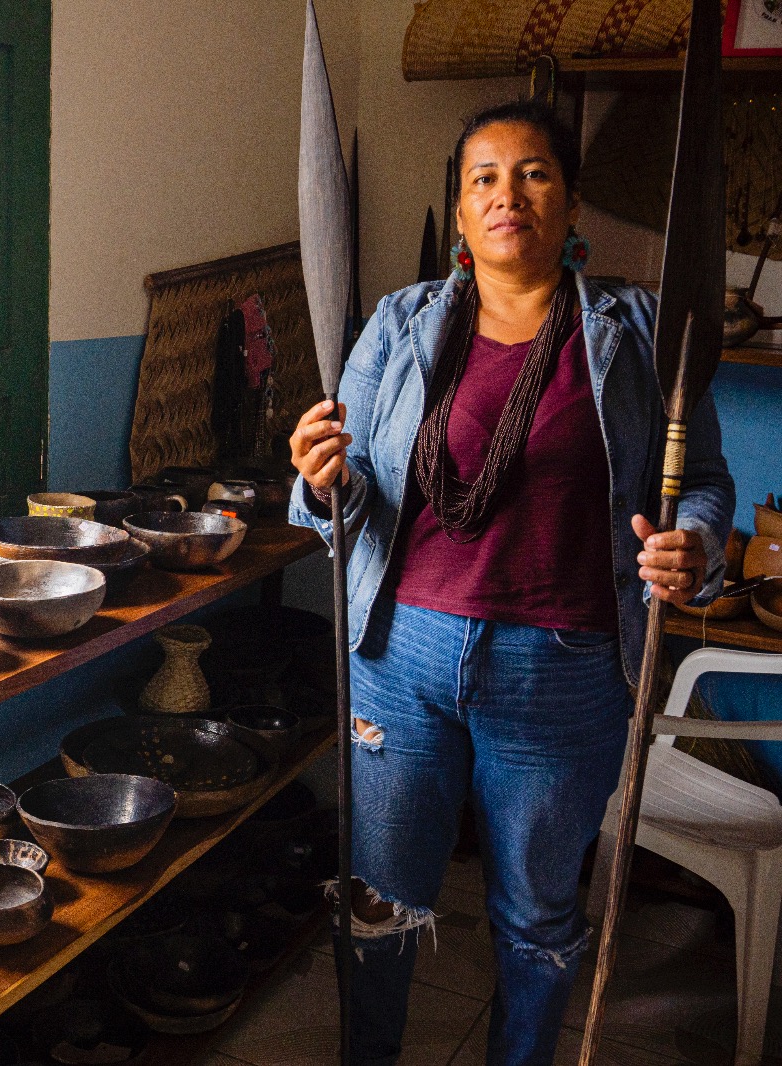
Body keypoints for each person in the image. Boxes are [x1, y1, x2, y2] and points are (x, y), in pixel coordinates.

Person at [287, 99, 734, 1066]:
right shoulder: (398, 327)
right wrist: (319, 478)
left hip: (562, 672)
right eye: (482, 178)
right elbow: (331, 493)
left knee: (536, 918)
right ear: (458, 213)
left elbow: (701, 485)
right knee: (379, 901)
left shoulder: (638, 333)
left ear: (570, 204)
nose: (506, 194)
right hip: (399, 661)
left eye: (532, 172)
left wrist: (693, 548)